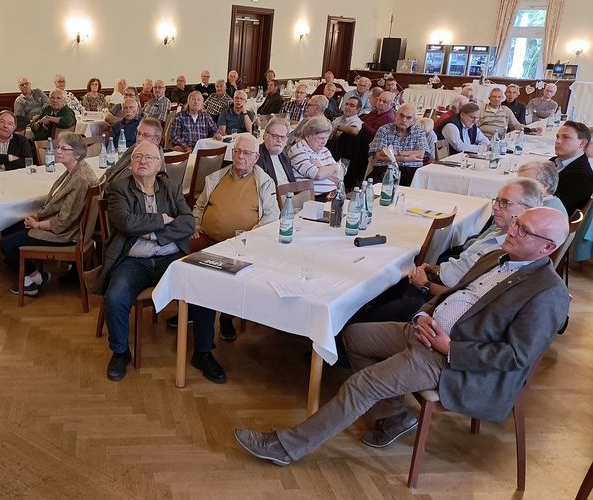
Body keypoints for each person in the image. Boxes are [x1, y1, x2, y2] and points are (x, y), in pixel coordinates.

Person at [234, 207, 570, 467]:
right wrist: (423, 314)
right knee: (353, 336)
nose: (511, 230)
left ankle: (288, 447)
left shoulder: (547, 292)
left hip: (452, 361)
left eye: (523, 230)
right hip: (425, 331)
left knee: (360, 384)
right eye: (516, 223)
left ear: (548, 246)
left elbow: (515, 357)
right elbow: (454, 295)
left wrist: (450, 348)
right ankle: (393, 416)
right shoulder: (499, 257)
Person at [94, 142, 227, 384]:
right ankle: (120, 352)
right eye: (137, 157)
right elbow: (126, 223)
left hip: (171, 257)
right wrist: (164, 219)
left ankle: (203, 353)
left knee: (203, 291)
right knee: (115, 297)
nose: (142, 161)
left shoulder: (170, 187)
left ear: (159, 164)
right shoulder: (118, 188)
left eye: (149, 157)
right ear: (131, 162)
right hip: (132, 260)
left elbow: (187, 223)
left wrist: (153, 233)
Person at [352, 179, 543, 324]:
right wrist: (435, 269)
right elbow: (464, 261)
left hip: (439, 298)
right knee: (383, 281)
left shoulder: (509, 249)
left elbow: (470, 298)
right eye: (496, 200)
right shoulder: (497, 229)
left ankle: (347, 342)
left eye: (504, 203)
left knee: (368, 316)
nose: (494, 206)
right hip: (437, 278)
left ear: (528, 210)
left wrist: (425, 285)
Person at [189, 134, 279, 340]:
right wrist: (195, 224)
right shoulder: (215, 178)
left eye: (246, 153)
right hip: (208, 239)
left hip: (244, 244)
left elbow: (272, 218)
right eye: (237, 151)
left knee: (235, 270)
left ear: (256, 157)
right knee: (181, 251)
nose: (240, 157)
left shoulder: (264, 182)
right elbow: (200, 205)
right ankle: (191, 308)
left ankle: (227, 316)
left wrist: (248, 237)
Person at [0, 132, 98, 296]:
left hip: (67, 234)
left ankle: (30, 281)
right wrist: (38, 217)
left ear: (78, 154)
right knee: (8, 228)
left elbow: (63, 222)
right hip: (67, 226)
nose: (58, 151)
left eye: (64, 149)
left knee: (5, 244)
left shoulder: (80, 178)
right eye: (58, 147)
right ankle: (35, 276)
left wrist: (37, 224)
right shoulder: (77, 169)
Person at [368, 103, 431, 185]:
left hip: (411, 170)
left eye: (408, 118)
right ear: (395, 115)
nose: (404, 120)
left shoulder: (419, 131)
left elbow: (420, 155)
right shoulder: (384, 130)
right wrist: (406, 159)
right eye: (401, 115)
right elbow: (378, 156)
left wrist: (393, 153)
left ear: (414, 120)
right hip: (385, 169)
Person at [101, 118, 165, 185]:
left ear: (157, 140)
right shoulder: (134, 148)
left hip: (119, 193)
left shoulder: (156, 163)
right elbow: (114, 169)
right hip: (107, 188)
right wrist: (99, 185)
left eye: (146, 135)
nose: (139, 138)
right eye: (138, 134)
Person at [289, 116, 340, 201]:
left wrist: (321, 167)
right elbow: (318, 175)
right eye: (321, 138)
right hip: (313, 198)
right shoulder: (298, 150)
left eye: (327, 138)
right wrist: (334, 167)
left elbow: (338, 179)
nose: (324, 142)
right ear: (308, 136)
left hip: (332, 195)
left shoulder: (325, 150)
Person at [551, 121, 593, 215]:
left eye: (566, 137)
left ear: (582, 143)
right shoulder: (554, 161)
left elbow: (557, 211)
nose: (558, 141)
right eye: (558, 136)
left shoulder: (582, 176)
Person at [255, 118, 294, 186]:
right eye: (275, 136)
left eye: (282, 137)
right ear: (265, 136)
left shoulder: (285, 157)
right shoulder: (257, 156)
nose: (279, 140)